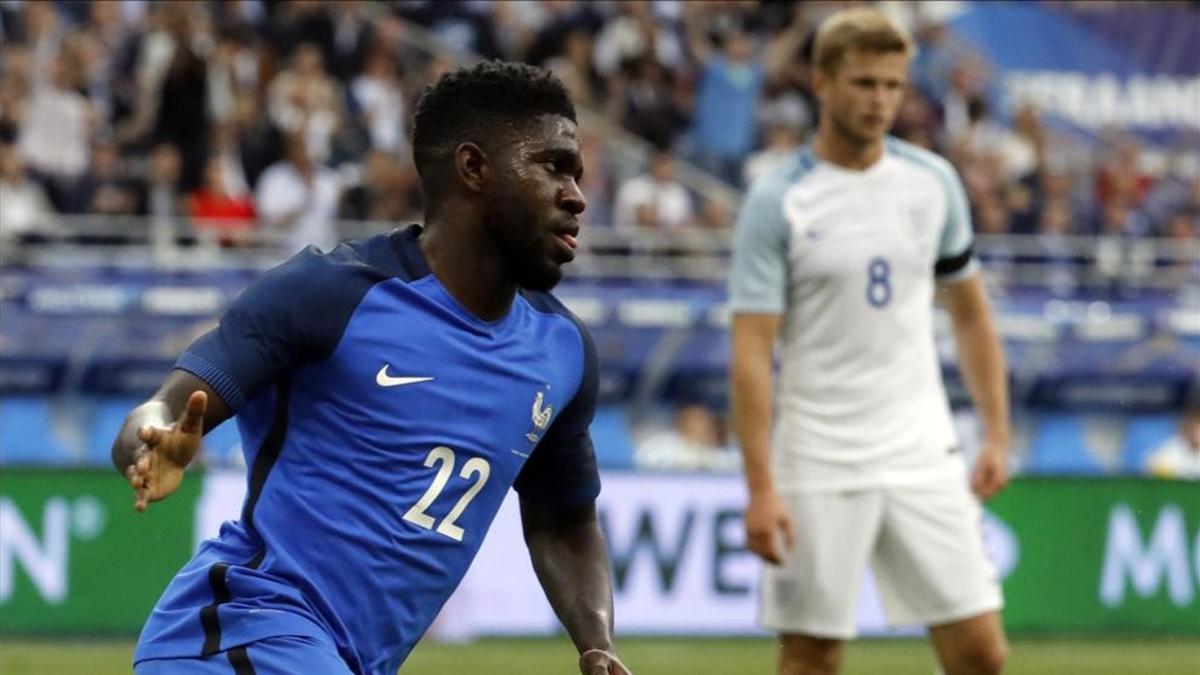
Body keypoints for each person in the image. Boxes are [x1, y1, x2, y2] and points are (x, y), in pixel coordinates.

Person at [112, 61, 631, 675]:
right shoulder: (332, 293)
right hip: (243, 632)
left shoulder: (562, 351)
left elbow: (565, 520)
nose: (576, 196)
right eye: (553, 167)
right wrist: (150, 443)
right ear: (473, 168)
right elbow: (165, 407)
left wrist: (596, 642)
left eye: (577, 174)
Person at [728, 9, 1010, 675]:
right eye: (863, 83)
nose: (880, 99)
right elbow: (750, 350)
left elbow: (970, 314)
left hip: (922, 447)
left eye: (892, 85)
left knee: (981, 652)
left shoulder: (934, 183)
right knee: (811, 658)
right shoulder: (779, 200)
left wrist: (997, 431)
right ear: (822, 84)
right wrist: (760, 486)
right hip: (819, 453)